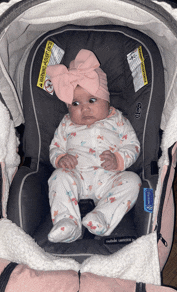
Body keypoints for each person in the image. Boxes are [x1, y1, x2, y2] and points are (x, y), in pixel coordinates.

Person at [46, 49, 141, 243]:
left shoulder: (117, 119)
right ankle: (68, 222)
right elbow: (55, 147)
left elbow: (132, 144)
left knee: (132, 181)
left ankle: (102, 217)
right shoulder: (66, 124)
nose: (84, 108)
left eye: (92, 100)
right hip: (76, 176)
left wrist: (118, 159)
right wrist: (60, 158)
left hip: (109, 178)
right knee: (57, 178)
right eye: (75, 103)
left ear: (106, 100)